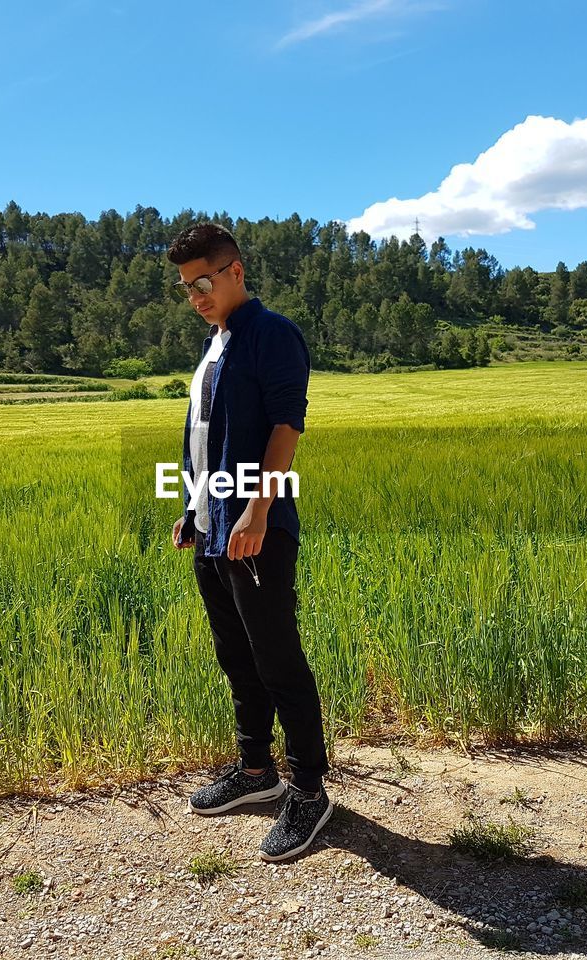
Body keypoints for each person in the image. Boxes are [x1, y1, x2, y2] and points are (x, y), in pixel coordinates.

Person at [167, 222, 333, 862]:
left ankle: (311, 792)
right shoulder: (216, 342)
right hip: (215, 527)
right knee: (236, 654)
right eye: (186, 289)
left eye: (203, 282)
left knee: (277, 659)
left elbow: (287, 425)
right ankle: (256, 772)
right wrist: (193, 508)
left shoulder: (271, 333)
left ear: (235, 271)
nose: (196, 296)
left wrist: (257, 510)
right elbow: (206, 437)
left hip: (255, 528)